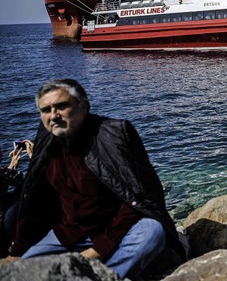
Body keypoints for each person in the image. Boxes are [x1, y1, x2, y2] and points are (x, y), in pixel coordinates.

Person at [0, 79, 185, 279]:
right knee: (16, 271)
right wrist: (18, 251)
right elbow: (36, 202)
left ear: (83, 106)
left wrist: (98, 249)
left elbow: (140, 197)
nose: (53, 115)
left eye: (61, 106)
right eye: (46, 110)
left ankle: (103, 276)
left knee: (152, 232)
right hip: (67, 233)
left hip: (118, 228)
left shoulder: (115, 134)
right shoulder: (47, 138)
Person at [0, 141, 32, 257]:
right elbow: (32, 179)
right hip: (3, 234)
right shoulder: (4, 174)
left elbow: (5, 177)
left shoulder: (4, 173)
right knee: (25, 189)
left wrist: (11, 166)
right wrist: (32, 155)